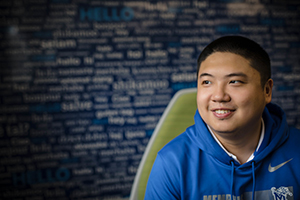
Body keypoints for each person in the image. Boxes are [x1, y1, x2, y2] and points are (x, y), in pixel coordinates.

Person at [144, 35, 300, 200]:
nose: (219, 96)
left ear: (267, 91)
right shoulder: (172, 163)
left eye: (234, 81)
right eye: (207, 82)